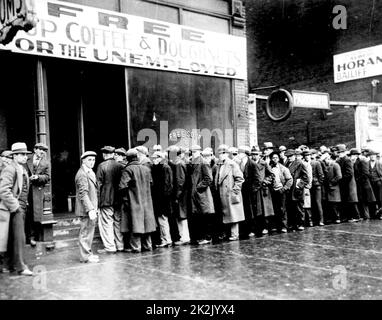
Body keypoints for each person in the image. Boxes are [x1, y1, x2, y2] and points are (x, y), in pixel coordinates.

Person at [0, 142, 34, 276]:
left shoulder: (21, 168)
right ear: (14, 156)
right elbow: (3, 191)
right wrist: (16, 207)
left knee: (14, 237)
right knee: (19, 237)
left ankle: (10, 265)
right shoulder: (10, 169)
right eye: (22, 154)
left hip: (21, 207)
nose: (25, 157)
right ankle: (21, 266)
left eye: (26, 154)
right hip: (13, 209)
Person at [119, 148, 157, 253]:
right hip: (147, 201)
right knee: (147, 224)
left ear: (128, 159)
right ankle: (148, 246)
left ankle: (136, 247)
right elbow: (151, 183)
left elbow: (122, 187)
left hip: (134, 201)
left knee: (135, 224)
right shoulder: (146, 169)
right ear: (137, 157)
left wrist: (125, 199)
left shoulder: (128, 169)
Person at [96, 146, 125, 254]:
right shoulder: (120, 166)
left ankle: (110, 247)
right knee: (118, 222)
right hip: (118, 199)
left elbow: (98, 185)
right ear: (113, 154)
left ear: (104, 155)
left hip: (106, 200)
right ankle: (120, 245)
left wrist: (97, 202)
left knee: (107, 223)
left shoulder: (101, 166)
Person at [214, 145, 245, 241]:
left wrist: (234, 191)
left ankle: (235, 234)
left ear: (226, 154)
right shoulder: (219, 165)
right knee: (225, 215)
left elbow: (240, 179)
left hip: (230, 193)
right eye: (219, 153)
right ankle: (227, 233)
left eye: (222, 153)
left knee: (233, 215)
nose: (220, 155)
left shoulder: (232, 164)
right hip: (221, 193)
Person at [75, 151, 99, 263]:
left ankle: (88, 254)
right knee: (85, 233)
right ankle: (85, 256)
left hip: (91, 208)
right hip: (86, 209)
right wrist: (90, 209)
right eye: (89, 160)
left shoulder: (89, 172)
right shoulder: (82, 174)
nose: (92, 162)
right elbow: (83, 193)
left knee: (89, 232)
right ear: (83, 160)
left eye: (93, 160)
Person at [25, 142, 50, 247]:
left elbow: (48, 177)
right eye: (41, 150)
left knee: (35, 214)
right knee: (25, 214)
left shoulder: (46, 162)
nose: (42, 152)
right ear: (35, 149)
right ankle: (26, 237)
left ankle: (33, 237)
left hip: (37, 191)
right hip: (24, 189)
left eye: (44, 151)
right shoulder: (26, 158)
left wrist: (38, 177)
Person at [189, 144, 214, 245]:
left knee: (205, 216)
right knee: (200, 216)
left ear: (198, 152)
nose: (192, 154)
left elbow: (209, 178)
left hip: (202, 194)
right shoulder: (194, 162)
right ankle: (202, 237)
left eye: (193, 152)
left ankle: (207, 238)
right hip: (197, 194)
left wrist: (198, 187)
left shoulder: (203, 162)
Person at [151, 151, 173, 248]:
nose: (154, 160)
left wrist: (164, 197)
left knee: (162, 220)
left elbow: (168, 184)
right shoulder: (160, 167)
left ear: (160, 158)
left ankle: (166, 239)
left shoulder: (165, 167)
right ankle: (165, 239)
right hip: (160, 199)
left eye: (155, 158)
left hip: (163, 199)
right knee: (162, 220)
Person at [168, 146, 190, 246]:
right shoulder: (180, 162)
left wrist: (177, 196)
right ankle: (184, 236)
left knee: (182, 215)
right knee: (181, 215)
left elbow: (180, 181)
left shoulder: (178, 164)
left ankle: (184, 237)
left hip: (180, 194)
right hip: (182, 193)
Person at [251, 146, 275, 235]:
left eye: (256, 154)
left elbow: (271, 175)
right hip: (254, 189)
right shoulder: (250, 164)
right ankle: (256, 228)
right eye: (253, 154)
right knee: (256, 209)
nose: (254, 156)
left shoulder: (264, 163)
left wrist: (265, 181)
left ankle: (266, 227)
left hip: (263, 189)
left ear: (259, 155)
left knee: (265, 209)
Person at [285, 149, 309, 231]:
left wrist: (299, 185)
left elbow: (306, 178)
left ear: (294, 156)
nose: (289, 158)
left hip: (297, 189)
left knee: (299, 208)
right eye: (287, 156)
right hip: (290, 189)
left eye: (290, 156)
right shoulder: (286, 164)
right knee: (291, 208)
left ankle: (301, 224)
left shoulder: (300, 164)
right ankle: (293, 224)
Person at [269, 151, 292, 233]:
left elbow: (290, 180)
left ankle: (284, 226)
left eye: (276, 158)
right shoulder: (269, 168)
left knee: (282, 209)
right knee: (274, 209)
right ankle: (276, 226)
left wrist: (284, 188)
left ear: (278, 159)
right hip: (272, 191)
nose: (274, 159)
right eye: (273, 158)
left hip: (281, 191)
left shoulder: (283, 168)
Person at [237, 146, 258, 238]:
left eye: (240, 153)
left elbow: (257, 179)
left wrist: (253, 189)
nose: (238, 154)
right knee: (245, 210)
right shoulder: (239, 163)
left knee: (251, 211)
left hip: (250, 191)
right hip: (243, 191)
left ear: (245, 154)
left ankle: (252, 229)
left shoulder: (252, 164)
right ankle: (245, 229)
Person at [336, 144, 360, 222]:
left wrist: (342, 180)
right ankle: (349, 217)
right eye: (339, 152)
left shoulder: (347, 160)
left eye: (341, 152)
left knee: (352, 201)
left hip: (349, 183)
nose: (340, 154)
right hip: (344, 183)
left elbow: (349, 173)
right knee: (346, 201)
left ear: (344, 152)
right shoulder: (339, 160)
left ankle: (356, 216)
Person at [352, 148, 375, 220]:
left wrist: (358, 179)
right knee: (363, 200)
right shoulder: (357, 161)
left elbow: (365, 173)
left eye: (352, 155)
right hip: (361, 184)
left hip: (364, 184)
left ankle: (367, 216)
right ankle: (366, 216)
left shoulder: (362, 161)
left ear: (355, 155)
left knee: (365, 200)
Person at [322, 152, 342, 224]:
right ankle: (333, 218)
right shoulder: (327, 166)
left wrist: (331, 182)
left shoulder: (335, 165)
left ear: (329, 158)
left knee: (335, 204)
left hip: (334, 188)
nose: (325, 162)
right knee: (331, 204)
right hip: (329, 188)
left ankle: (337, 218)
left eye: (326, 160)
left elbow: (339, 176)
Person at [310, 149, 325, 226]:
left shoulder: (317, 163)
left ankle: (321, 220)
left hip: (316, 186)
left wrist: (318, 183)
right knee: (313, 203)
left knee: (318, 203)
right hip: (311, 186)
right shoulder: (308, 163)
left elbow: (321, 175)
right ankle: (316, 220)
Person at [368, 149, 382, 219]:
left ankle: (380, 214)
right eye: (371, 156)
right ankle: (373, 214)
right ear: (369, 156)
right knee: (372, 198)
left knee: (380, 198)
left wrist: (380, 180)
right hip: (370, 183)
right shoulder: (367, 163)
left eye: (373, 156)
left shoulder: (379, 163)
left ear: (376, 156)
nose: (372, 157)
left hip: (378, 183)